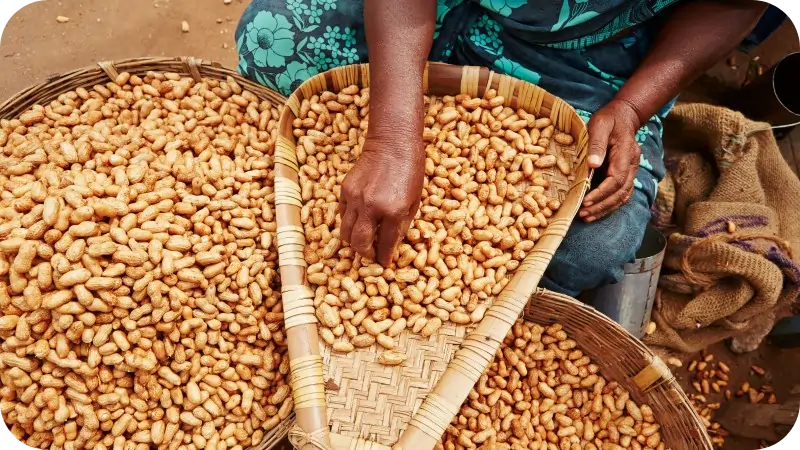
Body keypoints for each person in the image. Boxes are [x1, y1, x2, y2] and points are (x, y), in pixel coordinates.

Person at [236, 0, 769, 297]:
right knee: (269, 38)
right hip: (438, 7)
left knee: (590, 246)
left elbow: (734, 4)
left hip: (591, 61)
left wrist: (632, 108)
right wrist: (393, 139)